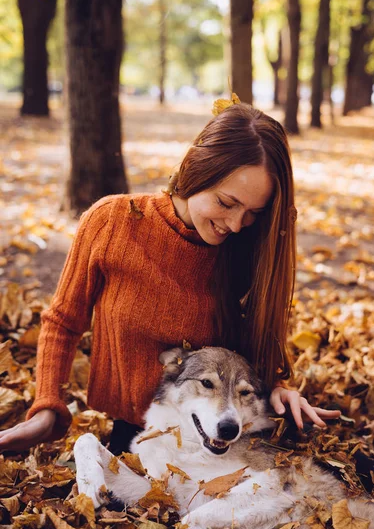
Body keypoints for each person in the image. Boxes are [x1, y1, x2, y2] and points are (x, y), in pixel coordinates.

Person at [0, 102, 340, 453]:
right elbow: (63, 321)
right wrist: (46, 406)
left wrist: (278, 385)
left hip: (219, 436)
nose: (236, 224)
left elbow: (253, 343)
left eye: (253, 213)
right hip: (133, 432)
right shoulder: (111, 222)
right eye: (226, 202)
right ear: (195, 171)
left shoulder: (248, 248)